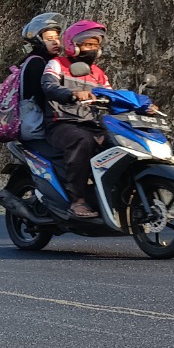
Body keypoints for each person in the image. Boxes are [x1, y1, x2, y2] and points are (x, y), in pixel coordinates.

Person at [41, 20, 111, 218]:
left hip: (91, 124)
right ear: (74, 45)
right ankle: (77, 201)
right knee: (83, 141)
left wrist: (141, 105)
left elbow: (111, 96)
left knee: (118, 142)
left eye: (95, 46)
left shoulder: (98, 73)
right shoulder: (57, 64)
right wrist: (72, 93)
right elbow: (49, 86)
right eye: (88, 44)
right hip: (61, 123)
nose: (93, 49)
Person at [17, 12, 65, 143]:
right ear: (38, 40)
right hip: (36, 125)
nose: (56, 42)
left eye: (57, 37)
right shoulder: (37, 63)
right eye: (49, 39)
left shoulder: (37, 61)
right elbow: (42, 97)